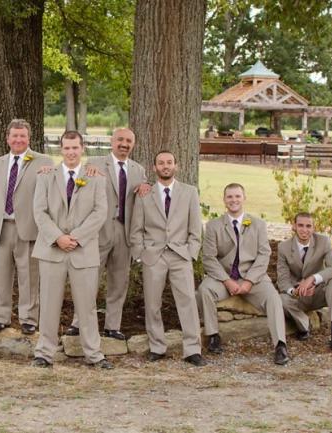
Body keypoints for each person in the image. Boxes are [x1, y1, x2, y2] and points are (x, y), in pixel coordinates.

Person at [31, 130, 112, 369]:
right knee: (48, 304)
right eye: (66, 148)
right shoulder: (46, 177)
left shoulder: (96, 177)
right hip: (51, 250)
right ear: (60, 149)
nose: (71, 152)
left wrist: (74, 237)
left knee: (86, 306)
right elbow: (39, 212)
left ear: (82, 149)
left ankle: (94, 354)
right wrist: (58, 238)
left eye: (75, 148)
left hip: (83, 250)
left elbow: (100, 212)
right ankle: (44, 353)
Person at [65, 128, 149, 340]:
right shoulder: (93, 163)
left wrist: (146, 186)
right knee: (89, 279)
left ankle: (113, 326)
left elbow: (142, 198)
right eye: (120, 139)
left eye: (129, 141)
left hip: (124, 231)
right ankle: (79, 322)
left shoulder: (139, 170)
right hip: (97, 231)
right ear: (112, 142)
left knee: (119, 281)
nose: (124, 144)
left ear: (133, 144)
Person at [129, 150, 206, 367]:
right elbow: (136, 230)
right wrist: (141, 255)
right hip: (154, 256)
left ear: (176, 166)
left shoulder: (189, 192)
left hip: (181, 254)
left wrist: (191, 252)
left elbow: (195, 227)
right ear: (154, 168)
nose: (165, 166)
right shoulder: (145, 195)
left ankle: (192, 349)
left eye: (169, 162)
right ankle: (157, 346)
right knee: (152, 303)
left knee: (188, 302)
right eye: (161, 163)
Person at [199, 183, 290, 365]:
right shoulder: (213, 226)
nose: (234, 200)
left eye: (237, 196)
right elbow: (208, 257)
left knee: (273, 298)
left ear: (244, 198)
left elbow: (264, 254)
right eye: (230, 197)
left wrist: (249, 281)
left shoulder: (257, 224)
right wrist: (226, 281)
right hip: (224, 277)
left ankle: (280, 344)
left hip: (253, 277)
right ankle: (213, 335)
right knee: (204, 290)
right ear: (224, 200)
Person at [0, 119, 53, 335]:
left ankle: (28, 318)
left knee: (29, 276)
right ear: (7, 138)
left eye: (22, 136)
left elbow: (51, 195)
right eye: (15, 136)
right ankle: (1, 317)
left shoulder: (43, 162)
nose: (18, 139)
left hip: (29, 228)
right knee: (0, 275)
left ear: (29, 138)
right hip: (0, 228)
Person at [277, 212, 332, 350]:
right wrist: (294, 291)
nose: (304, 230)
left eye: (308, 226)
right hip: (298, 296)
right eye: (300, 225)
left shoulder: (323, 242)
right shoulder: (283, 247)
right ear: (294, 226)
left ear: (314, 228)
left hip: (319, 292)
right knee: (280, 299)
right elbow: (282, 280)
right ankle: (304, 326)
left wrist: (313, 279)